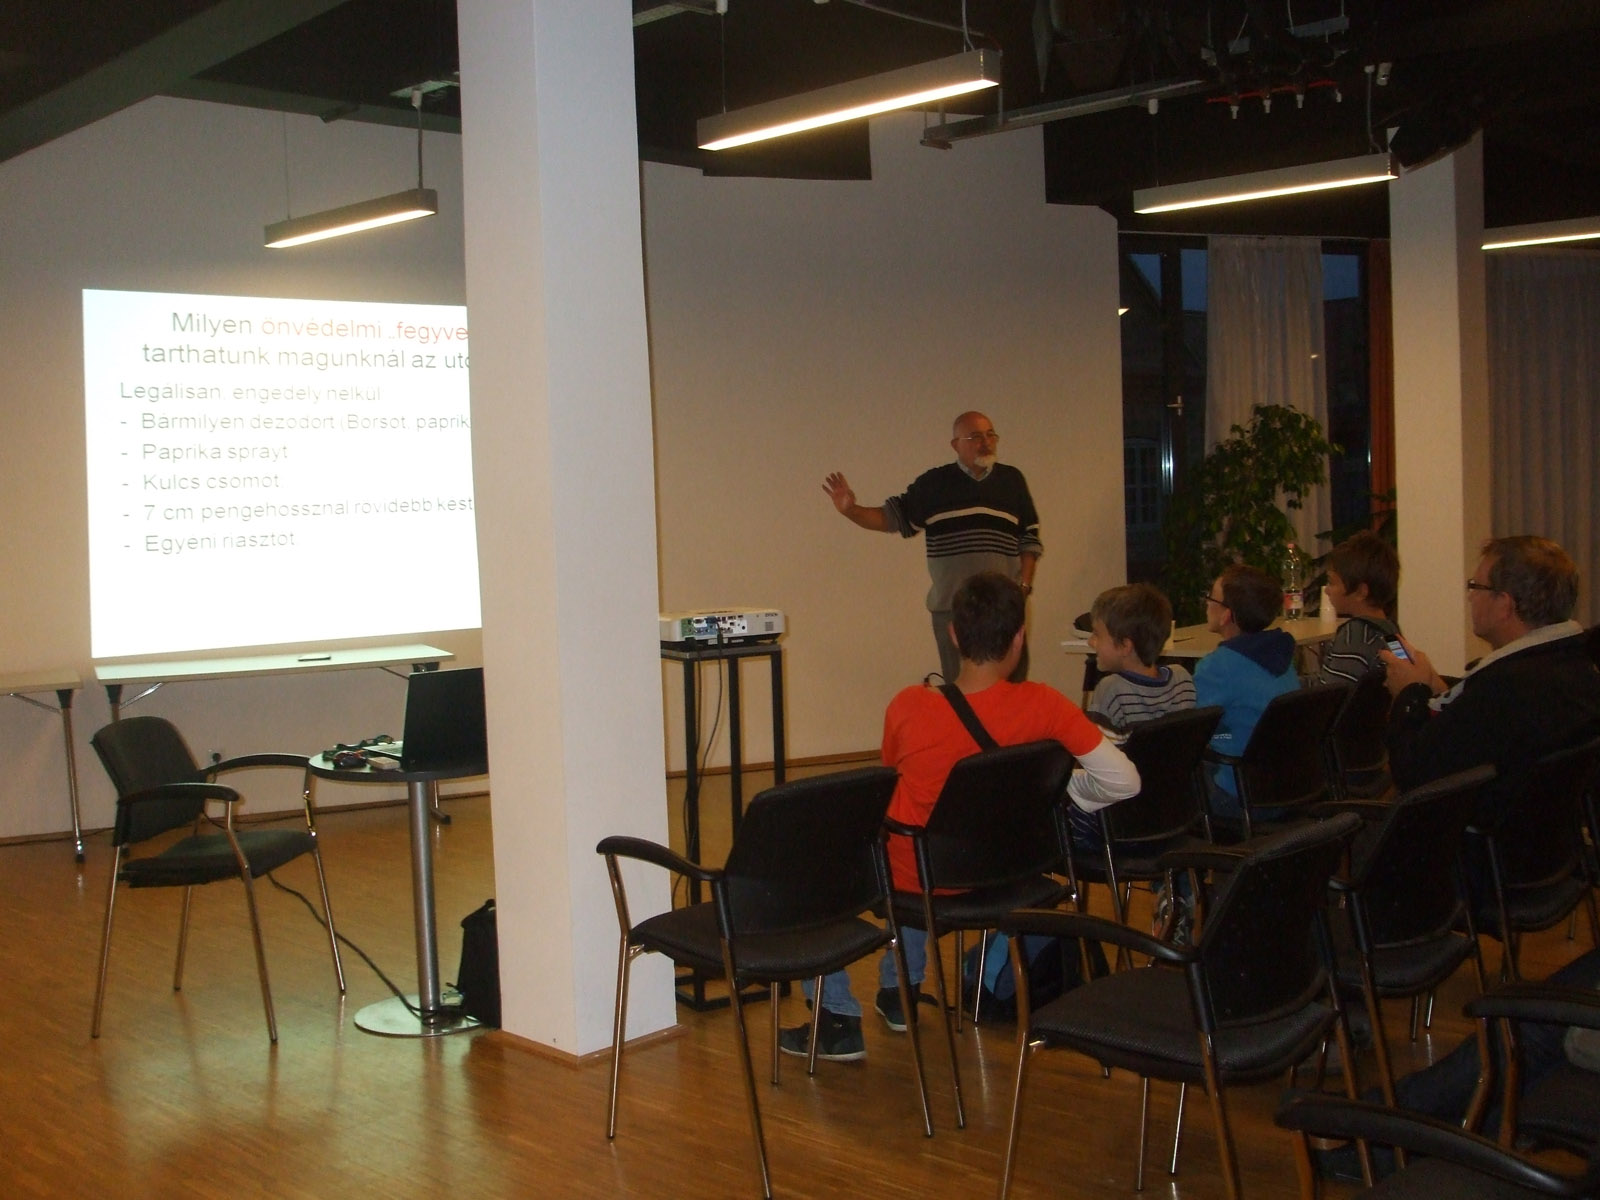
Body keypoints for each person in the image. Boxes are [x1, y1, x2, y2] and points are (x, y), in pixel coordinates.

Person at [778, 572, 1139, 1062]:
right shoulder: (1047, 706)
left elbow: (893, 785)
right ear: (1019, 637)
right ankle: (900, 992)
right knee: (924, 841)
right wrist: (1060, 791)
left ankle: (837, 1019)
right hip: (1005, 872)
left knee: (811, 855)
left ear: (953, 634)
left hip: (924, 874)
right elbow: (1124, 781)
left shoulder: (909, 706)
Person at [1380, 535, 1600, 827]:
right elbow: (1480, 730)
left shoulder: (1506, 686)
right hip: (1547, 839)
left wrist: (1408, 694)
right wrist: (1438, 688)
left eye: (1476, 586)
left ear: (1504, 605)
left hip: (1476, 842)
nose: (1470, 596)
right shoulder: (1575, 663)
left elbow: (1413, 775)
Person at [823, 411, 1041, 683]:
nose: (985, 442)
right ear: (955, 445)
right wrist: (851, 510)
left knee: (1013, 692)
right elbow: (891, 519)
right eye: (975, 437)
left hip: (1004, 608)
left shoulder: (1012, 481)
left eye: (990, 435)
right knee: (962, 694)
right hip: (954, 610)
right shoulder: (934, 484)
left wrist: (1023, 588)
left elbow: (1029, 539)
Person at [1193, 564, 1301, 818]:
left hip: (1239, 793)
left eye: (1211, 598)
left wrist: (1223, 738)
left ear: (1226, 615)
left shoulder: (1217, 667)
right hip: (1289, 786)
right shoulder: (1282, 655)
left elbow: (1197, 735)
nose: (1207, 603)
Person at [1085, 583, 1196, 730]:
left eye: (1096, 634)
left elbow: (1095, 743)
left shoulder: (1110, 690)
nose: (1090, 642)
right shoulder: (1182, 679)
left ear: (1125, 646)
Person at [1317, 531, 1402, 685]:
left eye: (1332, 582)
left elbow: (1333, 692)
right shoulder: (1391, 630)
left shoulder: (1353, 635)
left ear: (1361, 592)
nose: (1327, 590)